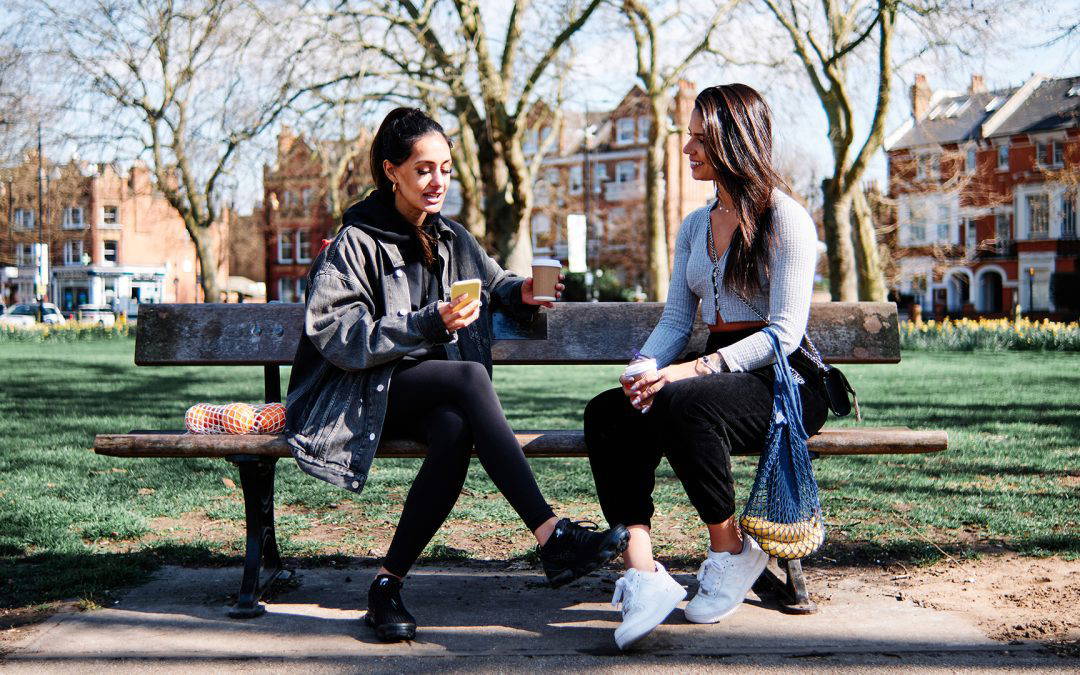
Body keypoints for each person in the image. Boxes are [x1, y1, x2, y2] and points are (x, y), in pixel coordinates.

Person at [285, 107, 629, 642]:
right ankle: (552, 536)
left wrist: (524, 293)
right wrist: (427, 322)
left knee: (454, 431)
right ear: (390, 170)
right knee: (468, 378)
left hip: (426, 394)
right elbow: (338, 334)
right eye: (423, 169)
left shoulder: (452, 238)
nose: (437, 181)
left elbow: (495, 283)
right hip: (359, 393)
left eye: (445, 169)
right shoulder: (355, 243)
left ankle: (385, 585)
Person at [583, 84, 828, 649]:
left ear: (734, 142)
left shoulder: (784, 219)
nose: (688, 147)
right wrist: (644, 367)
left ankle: (731, 551)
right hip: (717, 376)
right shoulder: (695, 225)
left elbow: (785, 333)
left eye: (700, 137)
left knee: (683, 399)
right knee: (608, 412)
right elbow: (675, 320)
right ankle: (644, 576)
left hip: (785, 379)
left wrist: (693, 371)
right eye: (688, 136)